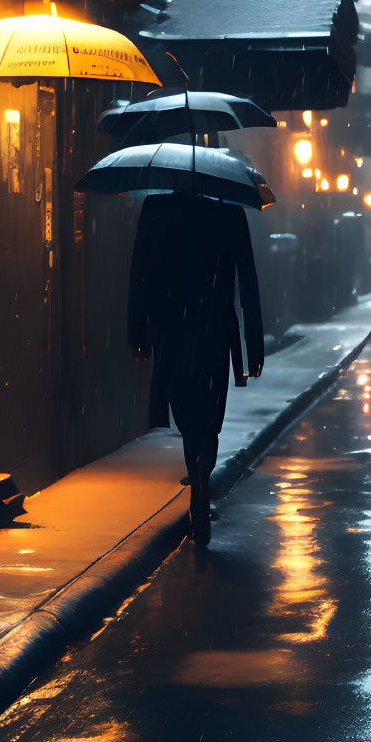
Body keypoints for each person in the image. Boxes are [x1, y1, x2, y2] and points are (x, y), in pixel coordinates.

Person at [129, 192, 264, 547]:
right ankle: (201, 484)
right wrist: (254, 345)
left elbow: (139, 273)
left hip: (174, 330)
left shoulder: (157, 210)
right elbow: (247, 280)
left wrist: (138, 331)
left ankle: (198, 482)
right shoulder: (229, 214)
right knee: (209, 414)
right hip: (214, 330)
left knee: (189, 415)